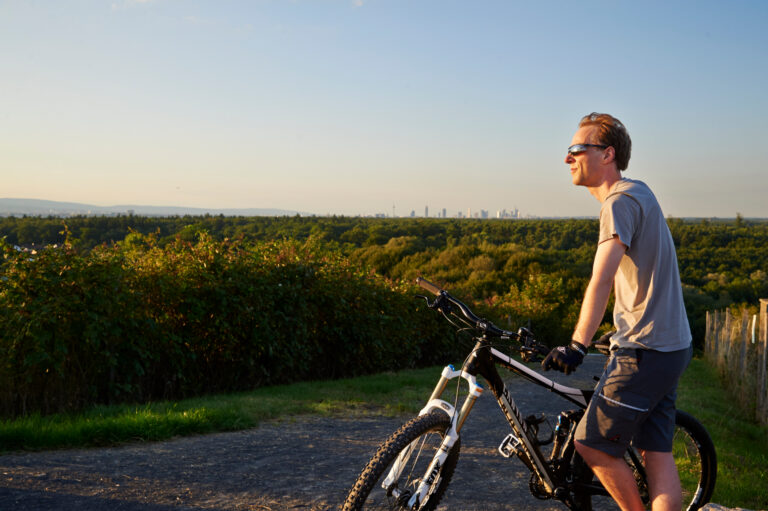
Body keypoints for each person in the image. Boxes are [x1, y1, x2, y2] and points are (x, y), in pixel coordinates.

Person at [541, 113, 693, 511]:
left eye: (577, 149)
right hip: (671, 346)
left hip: (644, 350)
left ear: (607, 154)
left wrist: (577, 344)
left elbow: (602, 279)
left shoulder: (618, 202)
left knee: (592, 445)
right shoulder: (640, 192)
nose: (568, 158)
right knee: (655, 453)